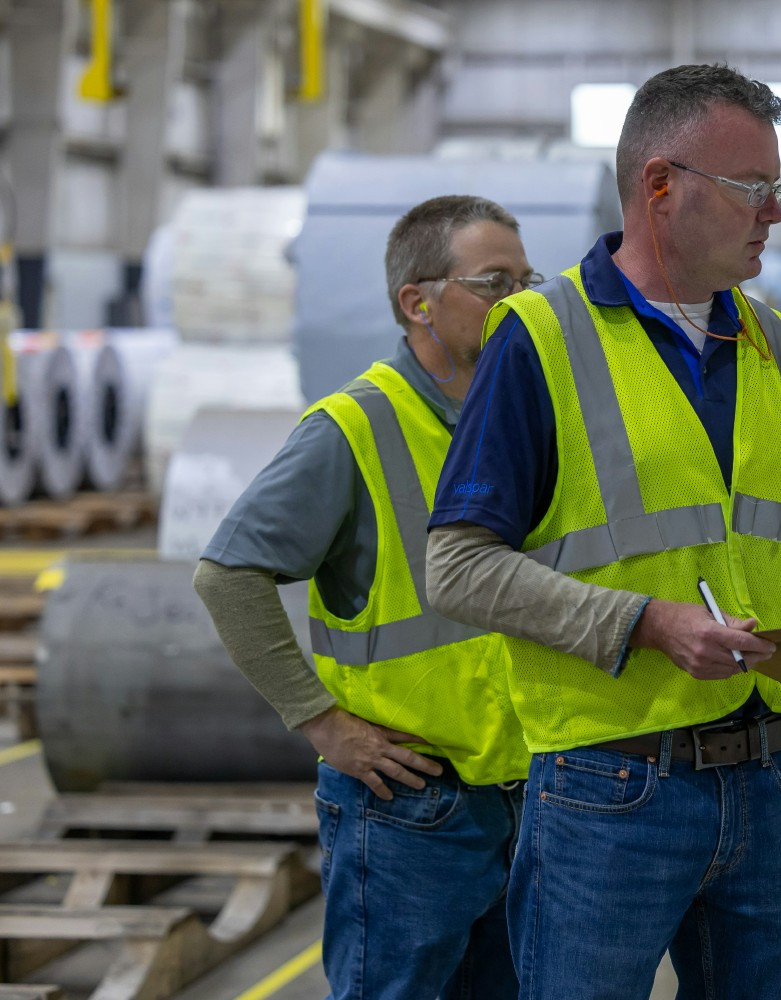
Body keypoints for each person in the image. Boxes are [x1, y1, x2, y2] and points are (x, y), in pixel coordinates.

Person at [425, 63, 781, 1000]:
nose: (775, 215)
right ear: (661, 187)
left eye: (778, 190)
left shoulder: (774, 345)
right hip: (610, 794)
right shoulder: (540, 339)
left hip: (771, 786)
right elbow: (458, 567)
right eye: (755, 190)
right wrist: (645, 623)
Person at [194, 195, 540, 1000]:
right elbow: (228, 575)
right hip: (410, 809)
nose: (521, 303)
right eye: (496, 283)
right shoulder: (352, 430)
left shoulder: (522, 423)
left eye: (529, 281)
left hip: (529, 799)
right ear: (417, 302)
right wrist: (322, 723)